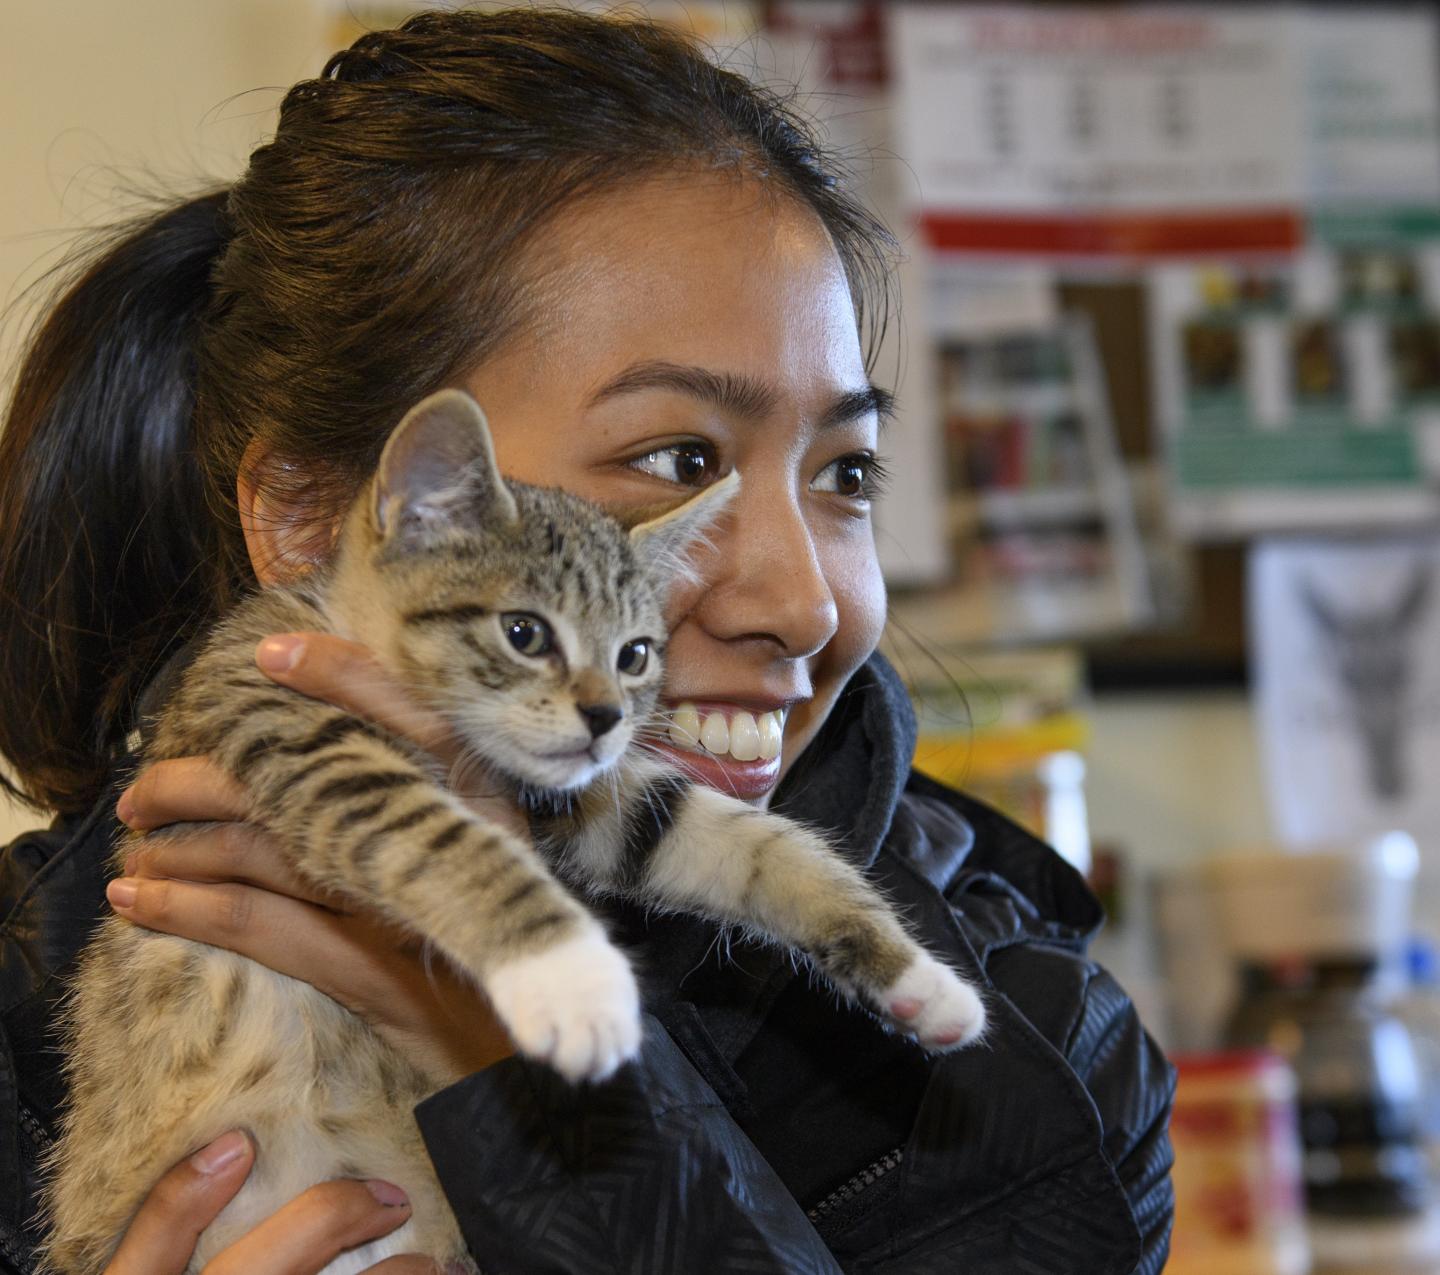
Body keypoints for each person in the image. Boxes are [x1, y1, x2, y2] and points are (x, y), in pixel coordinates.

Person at [0, 10, 1174, 1273]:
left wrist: (528, 1086)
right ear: (311, 519)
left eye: (848, 471)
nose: (807, 603)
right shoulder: (22, 1014)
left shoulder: (1043, 1054)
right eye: (679, 458)